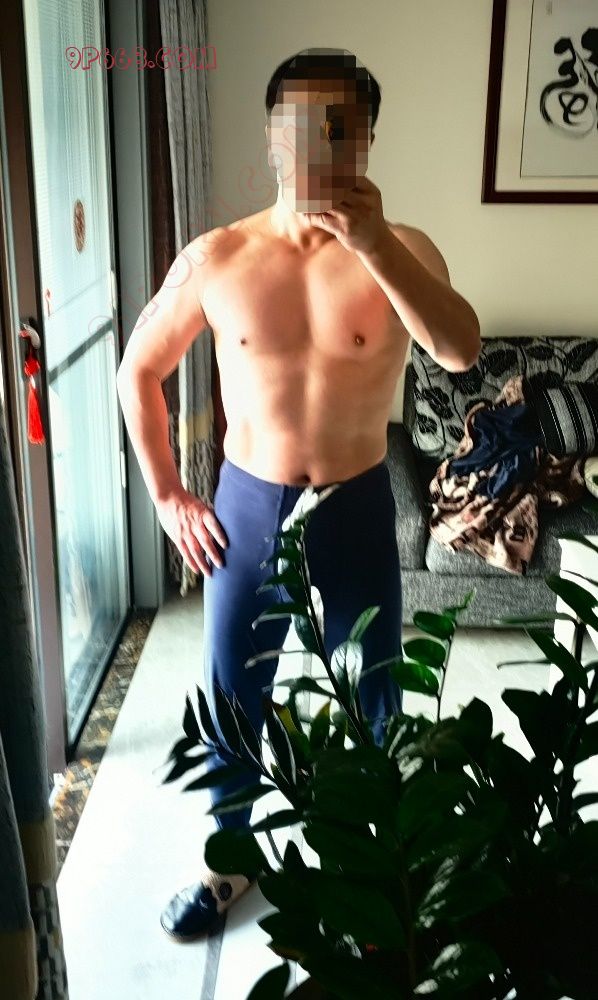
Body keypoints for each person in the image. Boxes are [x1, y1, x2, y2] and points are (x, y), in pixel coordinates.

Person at [116, 47, 481, 942]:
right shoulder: (219, 256)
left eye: (340, 127)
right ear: (272, 136)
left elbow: (460, 349)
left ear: (366, 141)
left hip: (357, 506)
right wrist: (167, 495)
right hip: (249, 507)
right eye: (300, 124)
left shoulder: (405, 250)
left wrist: (374, 243)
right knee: (234, 695)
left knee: (376, 692)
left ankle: (377, 862)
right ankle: (228, 860)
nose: (319, 144)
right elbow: (138, 370)